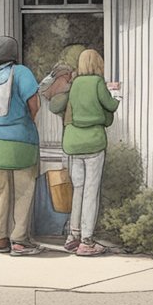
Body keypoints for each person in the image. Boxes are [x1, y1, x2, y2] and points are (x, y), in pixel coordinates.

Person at [50, 49, 120, 257]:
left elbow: (59, 106)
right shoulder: (97, 83)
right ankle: (87, 241)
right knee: (91, 191)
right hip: (92, 143)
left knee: (78, 190)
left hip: (72, 144)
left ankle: (73, 236)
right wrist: (117, 95)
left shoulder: (74, 84)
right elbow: (111, 106)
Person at [0, 36, 44, 256]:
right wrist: (27, 121)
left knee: (1, 190)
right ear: (15, 52)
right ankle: (19, 240)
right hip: (21, 140)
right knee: (23, 191)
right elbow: (33, 103)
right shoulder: (22, 73)